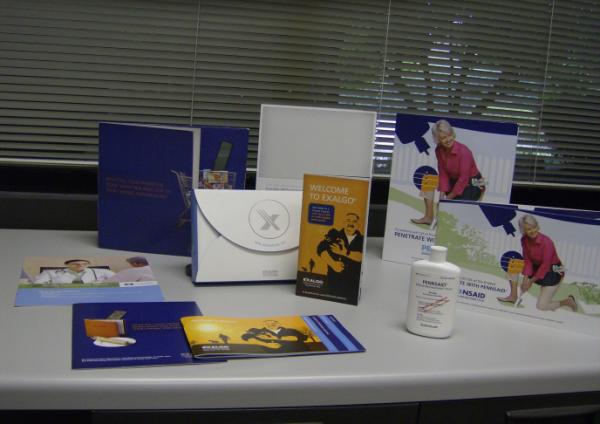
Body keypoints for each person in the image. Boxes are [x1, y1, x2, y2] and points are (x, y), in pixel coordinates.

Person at [412, 119, 485, 225]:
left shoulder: (464, 152)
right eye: (443, 138)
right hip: (454, 179)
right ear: (438, 139)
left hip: (474, 182)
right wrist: (442, 194)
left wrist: (447, 199)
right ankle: (428, 217)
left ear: (452, 133)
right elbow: (443, 173)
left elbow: (463, 178)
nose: (448, 139)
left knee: (455, 209)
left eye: (449, 135)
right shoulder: (439, 150)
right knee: (428, 180)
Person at [505, 215, 577, 311]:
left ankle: (568, 301)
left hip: (554, 269)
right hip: (537, 266)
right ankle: (513, 296)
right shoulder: (524, 240)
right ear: (523, 231)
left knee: (542, 306)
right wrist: (525, 280)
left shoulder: (547, 242)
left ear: (537, 226)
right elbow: (527, 260)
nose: (533, 231)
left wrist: (530, 282)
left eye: (534, 227)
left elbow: (545, 266)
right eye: (529, 229)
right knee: (513, 264)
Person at [317, 212, 364, 303]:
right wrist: (332, 263)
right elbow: (320, 248)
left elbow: (361, 257)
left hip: (353, 282)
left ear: (358, 225)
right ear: (343, 223)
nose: (351, 223)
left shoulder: (362, 239)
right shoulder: (334, 234)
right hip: (334, 280)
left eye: (354, 221)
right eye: (348, 220)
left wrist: (344, 252)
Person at [241, 319, 308, 352]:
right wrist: (265, 344)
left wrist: (276, 338)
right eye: (267, 322)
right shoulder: (257, 331)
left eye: (274, 321)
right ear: (263, 324)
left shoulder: (291, 330)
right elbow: (245, 337)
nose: (271, 323)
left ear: (279, 323)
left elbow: (302, 338)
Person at [33, 259, 115, 284]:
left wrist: (103, 283)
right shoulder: (49, 273)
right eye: (75, 264)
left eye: (84, 264)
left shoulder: (104, 271)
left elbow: (121, 281)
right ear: (67, 264)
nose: (80, 266)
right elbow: (36, 285)